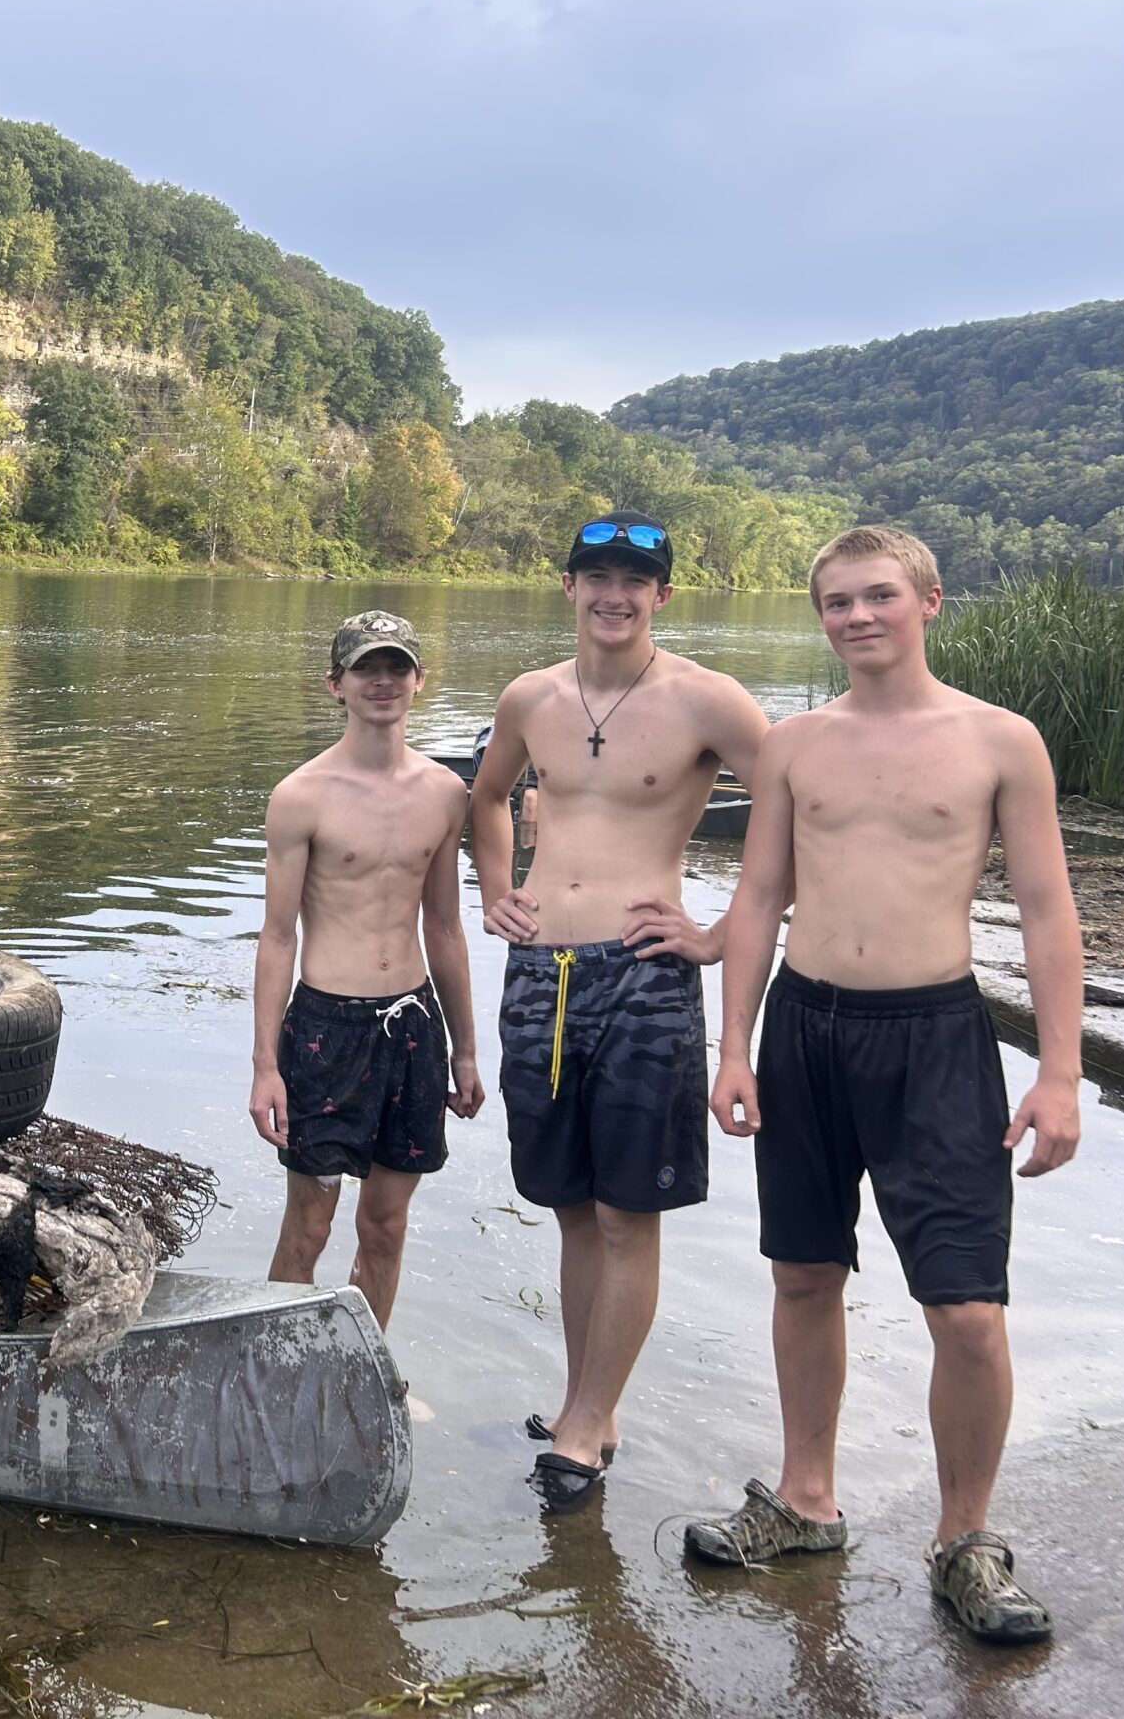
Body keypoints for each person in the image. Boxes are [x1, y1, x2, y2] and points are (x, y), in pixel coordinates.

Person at [683, 525, 1082, 1645]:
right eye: (835, 603)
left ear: (928, 603)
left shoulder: (999, 742)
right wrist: (733, 1048)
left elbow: (1049, 912)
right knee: (803, 1273)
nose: (856, 618)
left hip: (935, 1038)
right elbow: (757, 900)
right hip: (806, 1032)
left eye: (877, 598)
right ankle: (805, 1503)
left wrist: (1060, 1072)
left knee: (964, 1309)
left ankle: (966, 1542)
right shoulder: (795, 746)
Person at [470, 512, 770, 1509]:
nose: (614, 592)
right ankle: (580, 1405)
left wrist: (723, 929)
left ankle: (589, 1427)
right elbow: (485, 797)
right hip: (540, 974)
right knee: (567, 1205)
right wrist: (493, 886)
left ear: (662, 596)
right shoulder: (528, 698)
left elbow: (804, 807)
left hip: (645, 973)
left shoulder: (706, 700)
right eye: (596, 574)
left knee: (626, 1210)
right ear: (565, 585)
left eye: (634, 579)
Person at [249, 610, 483, 1334]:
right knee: (310, 1225)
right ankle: (277, 1362)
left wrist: (467, 1047)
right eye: (365, 669)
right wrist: (266, 1066)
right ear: (336, 685)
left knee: (384, 1226)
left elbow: (444, 926)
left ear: (419, 682)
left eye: (397, 668)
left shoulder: (446, 793)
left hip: (412, 1029)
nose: (382, 681)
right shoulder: (301, 796)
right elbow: (278, 936)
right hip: (325, 1030)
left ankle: (366, 1368)